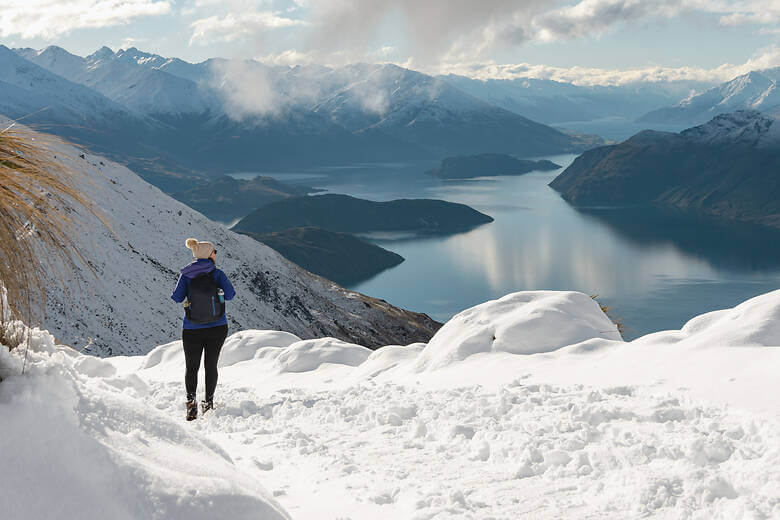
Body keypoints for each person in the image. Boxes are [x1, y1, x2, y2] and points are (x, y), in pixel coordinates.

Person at [171, 238, 236, 421]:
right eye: (215, 251)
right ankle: (208, 403)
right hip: (217, 326)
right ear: (209, 254)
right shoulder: (218, 274)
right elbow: (231, 295)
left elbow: (176, 298)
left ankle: (191, 405)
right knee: (210, 366)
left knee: (192, 367)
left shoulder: (186, 275)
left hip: (191, 328)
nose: (216, 254)